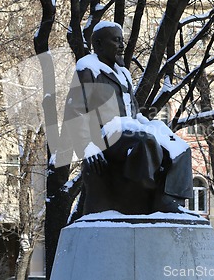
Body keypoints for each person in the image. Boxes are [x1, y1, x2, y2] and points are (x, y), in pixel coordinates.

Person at [61, 21, 193, 214]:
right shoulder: (87, 69)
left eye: (122, 40)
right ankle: (139, 198)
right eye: (116, 41)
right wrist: (88, 147)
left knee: (180, 147)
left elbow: (133, 111)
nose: (122, 46)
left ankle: (167, 199)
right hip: (106, 133)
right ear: (98, 44)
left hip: (130, 127)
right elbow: (75, 112)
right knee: (143, 140)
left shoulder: (123, 73)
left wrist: (153, 126)